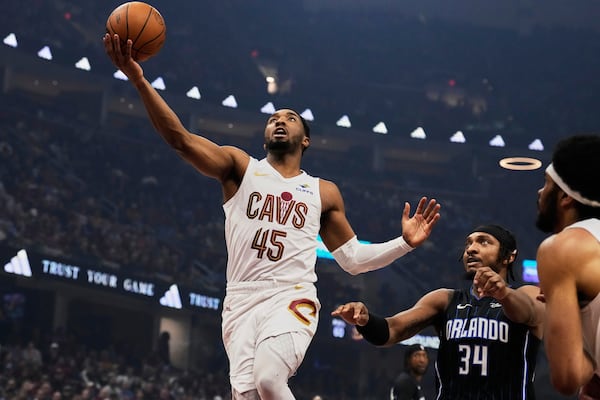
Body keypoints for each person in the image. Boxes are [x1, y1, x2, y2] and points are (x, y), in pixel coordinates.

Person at [103, 34, 442, 400]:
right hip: (240, 301)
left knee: (268, 380)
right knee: (249, 396)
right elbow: (181, 140)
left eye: (290, 118)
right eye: (273, 119)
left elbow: (353, 260)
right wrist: (138, 79)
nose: (280, 121)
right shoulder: (239, 167)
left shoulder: (323, 191)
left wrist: (404, 243)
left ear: (305, 139)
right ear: (264, 136)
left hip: (291, 296)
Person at [332, 224, 545, 399]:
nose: (471, 248)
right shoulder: (445, 300)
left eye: (483, 241)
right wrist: (366, 321)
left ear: (509, 256)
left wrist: (503, 294)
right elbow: (393, 330)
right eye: (468, 243)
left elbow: (529, 314)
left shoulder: (529, 293)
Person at [534, 135, 600, 398]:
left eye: (546, 184)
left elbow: (568, 377)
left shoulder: (561, 248)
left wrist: (554, 308)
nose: (540, 192)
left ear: (564, 198)